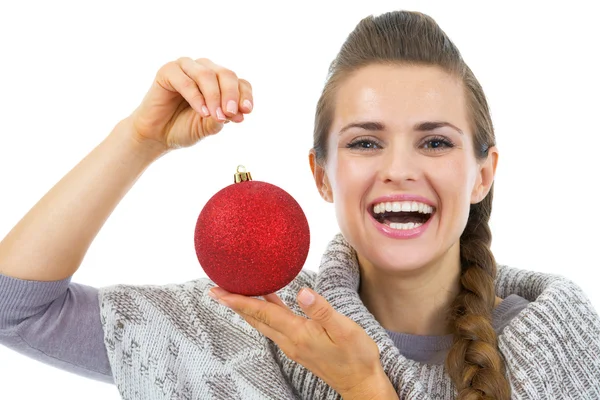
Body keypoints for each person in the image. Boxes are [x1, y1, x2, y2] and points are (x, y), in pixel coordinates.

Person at [1, 9, 599, 400]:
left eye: (435, 141)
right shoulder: (242, 332)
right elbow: (14, 307)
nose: (398, 169)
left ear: (482, 174)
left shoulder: (564, 348)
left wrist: (365, 386)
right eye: (365, 141)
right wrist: (138, 139)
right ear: (321, 175)